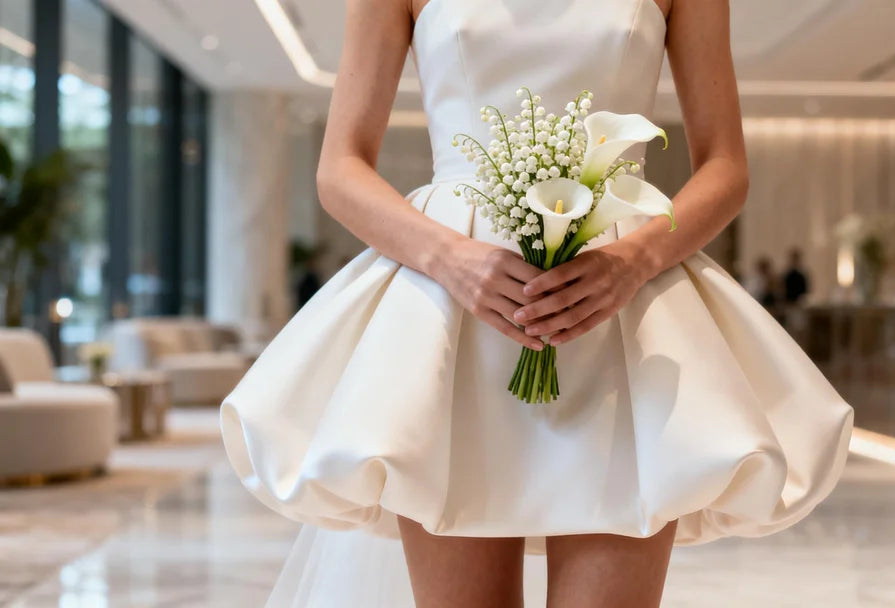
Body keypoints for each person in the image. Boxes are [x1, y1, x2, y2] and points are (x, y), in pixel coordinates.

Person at [220, 1, 854, 606]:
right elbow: (340, 168)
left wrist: (633, 260)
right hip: (450, 320)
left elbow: (725, 165)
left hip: (622, 317)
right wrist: (449, 258)